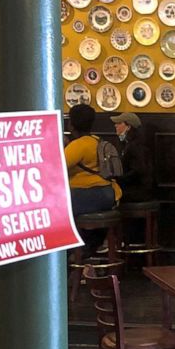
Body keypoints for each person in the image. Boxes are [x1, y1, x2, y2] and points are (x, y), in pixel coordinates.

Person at [65, 103, 121, 254]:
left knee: (57, 211)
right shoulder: (96, 140)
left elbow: (57, 167)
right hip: (108, 194)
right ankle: (91, 248)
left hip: (88, 194)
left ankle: (72, 254)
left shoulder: (77, 145)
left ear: (71, 125)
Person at [111, 112, 154, 203]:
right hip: (135, 188)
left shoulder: (136, 146)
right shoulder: (128, 144)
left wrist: (117, 179)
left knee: (108, 194)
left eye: (119, 123)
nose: (115, 125)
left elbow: (137, 172)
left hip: (138, 191)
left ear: (128, 127)